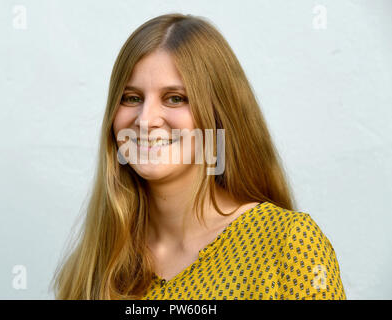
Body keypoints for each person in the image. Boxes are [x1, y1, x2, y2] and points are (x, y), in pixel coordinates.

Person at [50, 13, 346, 300]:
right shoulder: (95, 267)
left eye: (175, 98)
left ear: (218, 116)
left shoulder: (289, 243)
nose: (145, 120)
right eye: (132, 98)